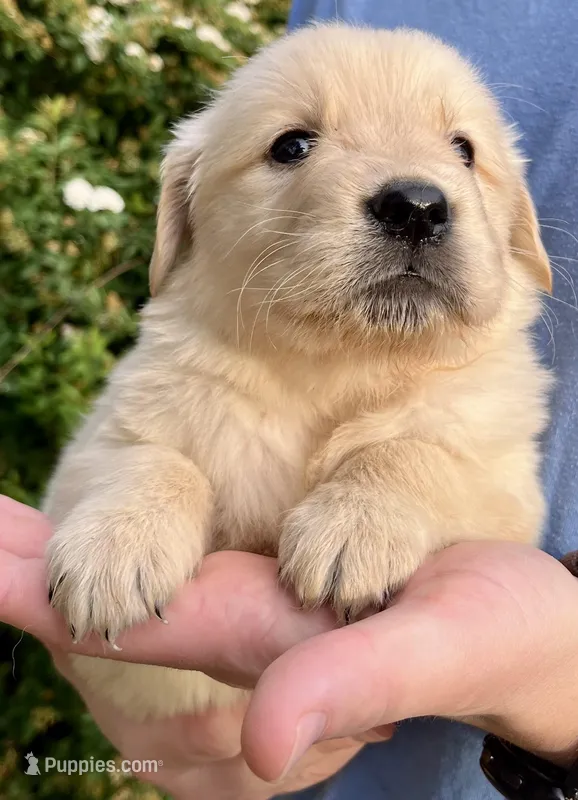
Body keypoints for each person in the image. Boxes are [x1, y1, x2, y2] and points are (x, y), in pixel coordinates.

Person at [1, 1, 577, 798]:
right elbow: (104, 482)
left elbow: (499, 501)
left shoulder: (486, 393)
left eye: (460, 147)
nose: (416, 193)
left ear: (517, 226)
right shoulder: (184, 368)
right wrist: (153, 486)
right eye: (294, 144)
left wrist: (404, 481)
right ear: (184, 217)